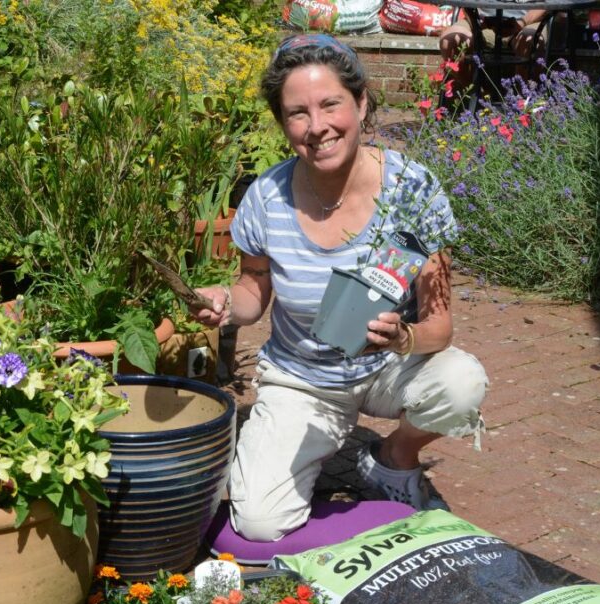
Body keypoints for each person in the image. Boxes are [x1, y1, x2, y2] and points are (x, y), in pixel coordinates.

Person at [191, 34, 488, 543]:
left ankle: (394, 458)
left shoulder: (411, 190)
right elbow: (253, 290)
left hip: (388, 369)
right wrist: (224, 304)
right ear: (283, 124)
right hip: (302, 378)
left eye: (331, 104)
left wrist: (402, 340)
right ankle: (314, 442)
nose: (317, 127)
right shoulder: (266, 196)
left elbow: (439, 327)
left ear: (361, 102)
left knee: (461, 384)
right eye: (297, 113)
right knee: (260, 524)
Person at [439, 9, 550, 87]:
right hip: (482, 22)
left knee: (530, 41)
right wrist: (477, 19)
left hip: (529, 22)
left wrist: (522, 22)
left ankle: (523, 106)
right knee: (449, 41)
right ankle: (476, 97)